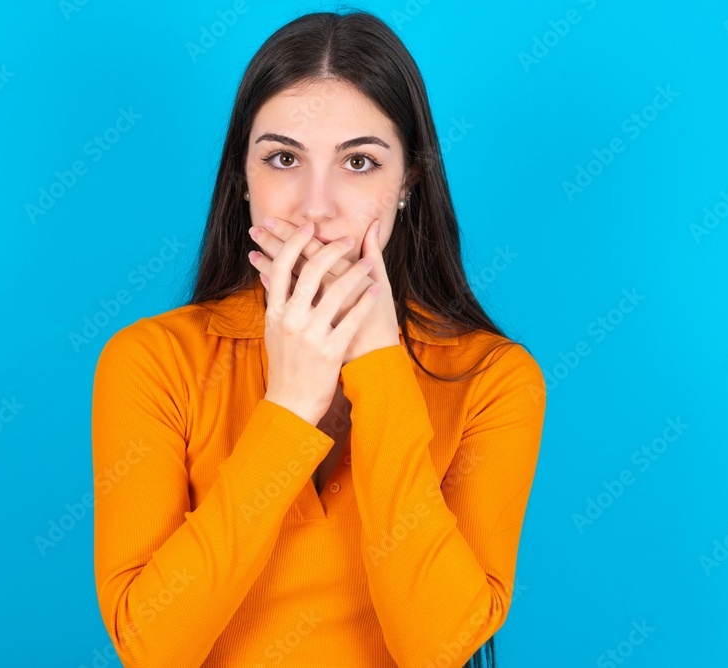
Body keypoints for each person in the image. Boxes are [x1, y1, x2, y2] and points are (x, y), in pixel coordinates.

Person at [92, 10, 546, 668]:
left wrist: (380, 367)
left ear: (408, 183)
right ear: (243, 179)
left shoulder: (493, 380)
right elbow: (152, 649)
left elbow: (439, 647)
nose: (316, 207)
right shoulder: (152, 362)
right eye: (283, 158)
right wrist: (288, 408)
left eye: (359, 162)